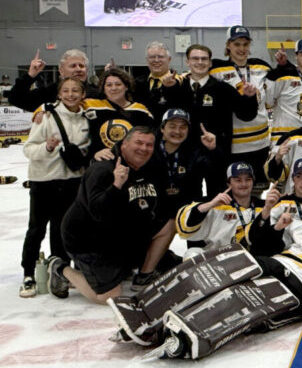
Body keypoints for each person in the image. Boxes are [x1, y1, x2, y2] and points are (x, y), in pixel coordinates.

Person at [109, 191, 302, 360]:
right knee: (227, 265)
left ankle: (195, 334)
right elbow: (262, 241)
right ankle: (147, 310)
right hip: (280, 261)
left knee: (245, 298)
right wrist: (277, 226)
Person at [48, 127, 177, 303]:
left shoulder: (149, 167)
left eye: (149, 145)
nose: (144, 148)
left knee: (169, 223)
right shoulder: (102, 169)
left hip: (121, 233)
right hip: (89, 240)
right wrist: (116, 186)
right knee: (109, 297)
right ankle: (61, 268)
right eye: (138, 143)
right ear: (124, 144)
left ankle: (144, 275)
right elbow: (97, 212)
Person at [20, 78, 90, 297]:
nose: (70, 94)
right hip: (44, 180)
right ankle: (29, 273)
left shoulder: (87, 118)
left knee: (63, 229)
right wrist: (48, 147)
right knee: (37, 228)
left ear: (82, 94)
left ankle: (60, 271)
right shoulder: (46, 116)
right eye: (66, 91)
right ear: (59, 94)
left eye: (75, 91)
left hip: (72, 181)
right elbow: (28, 149)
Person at [163, 43, 259, 192]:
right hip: (187, 154)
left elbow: (246, 115)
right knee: (189, 196)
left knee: (218, 196)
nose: (200, 62)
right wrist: (168, 89)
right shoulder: (178, 88)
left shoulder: (223, 88)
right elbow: (165, 113)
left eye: (204, 59)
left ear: (210, 63)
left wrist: (250, 97)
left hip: (217, 152)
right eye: (195, 59)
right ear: (187, 62)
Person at [209, 26, 272, 184]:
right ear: (228, 45)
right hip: (235, 147)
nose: (241, 48)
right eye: (237, 44)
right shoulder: (216, 71)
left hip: (261, 144)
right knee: (236, 190)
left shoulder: (262, 67)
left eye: (245, 44)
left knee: (258, 189)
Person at [175, 162, 272, 256]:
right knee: (191, 253)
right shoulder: (216, 205)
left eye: (248, 179)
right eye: (238, 180)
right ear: (229, 184)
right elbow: (185, 227)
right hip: (216, 259)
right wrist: (211, 204)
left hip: (252, 260)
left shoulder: (264, 207)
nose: (243, 184)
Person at [10, 49, 94, 113]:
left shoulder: (97, 93)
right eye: (73, 66)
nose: (78, 69)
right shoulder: (49, 92)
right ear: (61, 71)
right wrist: (30, 76)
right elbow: (16, 98)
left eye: (81, 66)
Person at [134, 41, 178, 123]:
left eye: (160, 57)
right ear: (147, 60)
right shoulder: (136, 83)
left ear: (169, 59)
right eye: (152, 57)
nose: (156, 60)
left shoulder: (180, 82)